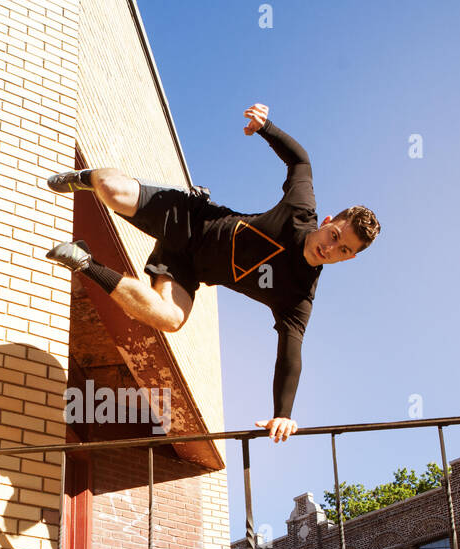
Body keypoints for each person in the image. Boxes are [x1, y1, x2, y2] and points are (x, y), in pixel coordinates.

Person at [44, 103, 380, 443]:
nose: (330, 248)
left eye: (343, 251)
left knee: (170, 318)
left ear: (348, 259)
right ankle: (86, 178)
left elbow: (290, 356)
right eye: (334, 236)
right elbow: (301, 161)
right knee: (112, 191)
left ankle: (84, 262)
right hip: (190, 218)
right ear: (327, 222)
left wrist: (283, 413)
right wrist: (266, 128)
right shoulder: (300, 208)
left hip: (187, 268)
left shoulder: (298, 297)